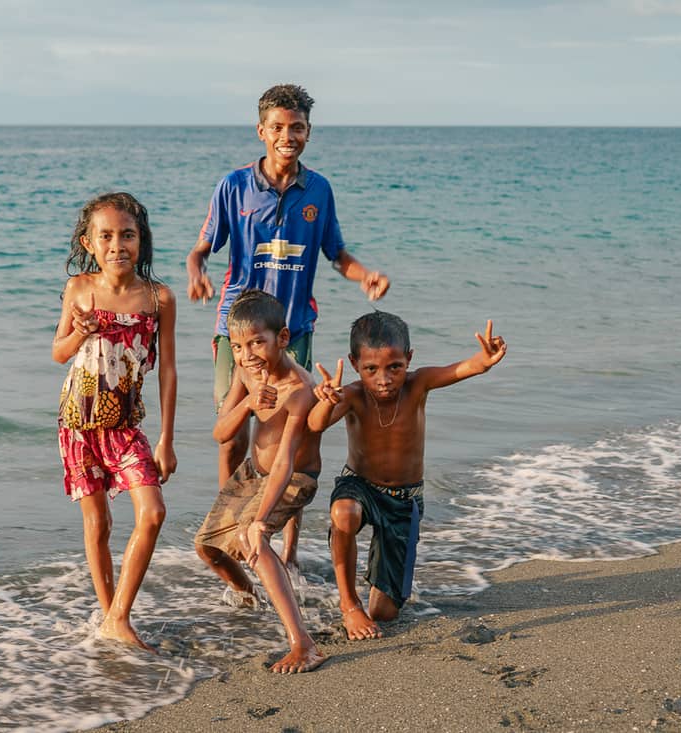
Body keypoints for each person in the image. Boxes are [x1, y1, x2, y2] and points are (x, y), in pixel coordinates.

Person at [185, 83, 390, 567]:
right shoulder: (233, 186)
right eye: (277, 127)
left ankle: (289, 548)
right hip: (237, 332)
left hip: (294, 329)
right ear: (261, 131)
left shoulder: (318, 190)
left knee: (295, 437)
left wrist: (365, 276)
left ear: (308, 133)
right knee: (233, 429)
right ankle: (230, 525)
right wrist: (196, 269)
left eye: (296, 127)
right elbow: (201, 247)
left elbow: (336, 254)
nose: (287, 135)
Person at [308, 312, 507, 640]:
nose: (383, 379)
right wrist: (326, 401)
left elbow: (461, 369)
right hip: (359, 486)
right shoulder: (353, 394)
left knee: (385, 614)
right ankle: (348, 604)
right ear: (356, 364)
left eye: (394, 367)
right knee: (344, 512)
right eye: (371, 369)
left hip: (404, 499)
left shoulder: (419, 384)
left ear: (409, 359)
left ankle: (377, 583)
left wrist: (483, 362)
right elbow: (315, 425)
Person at [52, 192, 177, 651]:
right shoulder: (79, 290)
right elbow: (57, 352)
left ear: (141, 240)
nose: (116, 245)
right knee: (99, 524)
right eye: (105, 236)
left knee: (154, 512)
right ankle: (111, 619)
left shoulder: (158, 297)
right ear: (88, 242)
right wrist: (80, 332)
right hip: (77, 422)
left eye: (127, 234)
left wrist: (166, 438)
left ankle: (119, 615)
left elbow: (167, 369)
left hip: (126, 426)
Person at [194, 289, 326, 674]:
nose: (247, 355)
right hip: (254, 472)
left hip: (294, 477)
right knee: (207, 548)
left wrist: (259, 520)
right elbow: (221, 433)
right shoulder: (244, 374)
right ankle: (252, 599)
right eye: (237, 346)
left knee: (254, 539)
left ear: (282, 339)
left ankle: (304, 644)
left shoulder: (300, 390)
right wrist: (248, 404)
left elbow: (286, 461)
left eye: (257, 343)